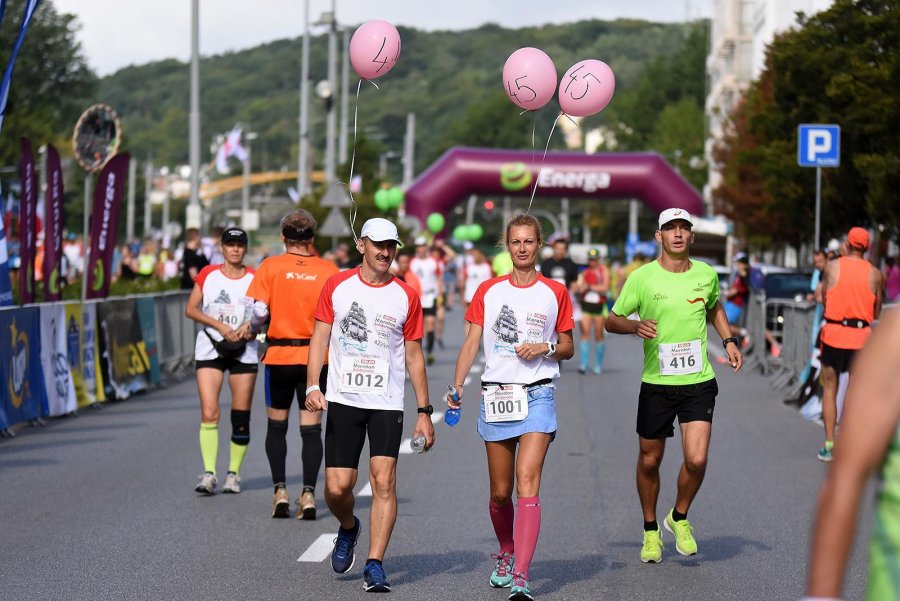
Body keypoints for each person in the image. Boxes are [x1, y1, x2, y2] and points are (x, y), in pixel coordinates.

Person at [447, 214, 575, 601]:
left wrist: (545, 347)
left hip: (538, 394)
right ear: (507, 245)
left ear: (540, 245)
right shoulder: (488, 290)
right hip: (497, 397)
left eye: (529, 242)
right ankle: (506, 551)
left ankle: (521, 575)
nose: (522, 248)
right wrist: (456, 386)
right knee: (501, 493)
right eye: (516, 242)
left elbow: (568, 346)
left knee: (526, 482)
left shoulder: (555, 292)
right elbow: (471, 343)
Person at [605, 208, 742, 564]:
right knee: (650, 460)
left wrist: (728, 340)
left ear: (691, 237)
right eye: (671, 228)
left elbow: (714, 308)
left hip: (698, 381)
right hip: (657, 383)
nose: (678, 234)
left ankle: (678, 517)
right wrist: (635, 327)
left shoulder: (707, 275)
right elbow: (612, 320)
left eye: (684, 228)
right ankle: (651, 529)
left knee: (696, 459)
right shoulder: (642, 278)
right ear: (659, 236)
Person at [304, 218, 433, 593]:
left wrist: (424, 412)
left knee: (383, 481)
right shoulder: (337, 286)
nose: (385, 251)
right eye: (378, 244)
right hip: (343, 398)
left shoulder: (406, 295)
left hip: (386, 402)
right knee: (337, 488)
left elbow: (414, 355)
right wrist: (313, 384)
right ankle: (349, 527)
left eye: (391, 245)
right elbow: (319, 339)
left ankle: (375, 563)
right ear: (361, 245)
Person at [245, 210, 338, 518]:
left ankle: (280, 490)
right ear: (311, 239)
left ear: (283, 237)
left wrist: (259, 328)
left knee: (277, 426)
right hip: (315, 358)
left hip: (280, 356)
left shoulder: (270, 266)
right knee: (311, 430)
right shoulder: (328, 269)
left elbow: (258, 311)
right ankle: (309, 495)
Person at [804, 307, 900, 600]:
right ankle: (831, 440)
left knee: (833, 389)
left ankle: (830, 440)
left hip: (844, 337)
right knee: (832, 389)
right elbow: (845, 478)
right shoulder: (895, 338)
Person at [184, 228, 257, 495]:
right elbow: (190, 309)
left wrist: (250, 325)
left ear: (245, 249)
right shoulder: (209, 275)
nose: (235, 249)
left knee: (240, 417)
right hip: (211, 347)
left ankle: (233, 474)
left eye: (240, 245)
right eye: (230, 245)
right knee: (209, 412)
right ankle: (209, 473)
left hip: (244, 348)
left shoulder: (255, 278)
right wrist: (219, 325)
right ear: (222, 248)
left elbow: (265, 311)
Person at [817, 227, 883, 462]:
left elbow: (825, 298)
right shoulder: (875, 273)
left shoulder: (833, 267)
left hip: (834, 333)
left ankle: (829, 444)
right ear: (866, 246)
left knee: (830, 389)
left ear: (848, 243)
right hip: (860, 338)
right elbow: (877, 310)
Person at [575, 248, 610, 374]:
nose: (592, 262)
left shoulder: (604, 271)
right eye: (590, 259)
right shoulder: (585, 272)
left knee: (598, 335)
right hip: (586, 306)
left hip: (599, 307)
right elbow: (578, 288)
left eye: (594, 260)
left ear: (598, 260)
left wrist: (590, 287)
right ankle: (583, 365)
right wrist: (580, 289)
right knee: (585, 333)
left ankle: (598, 365)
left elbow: (605, 287)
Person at [410, 236, 442, 365]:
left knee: (430, 322)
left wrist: (440, 295)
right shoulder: (412, 262)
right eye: (418, 247)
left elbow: (439, 278)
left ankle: (429, 351)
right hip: (416, 297)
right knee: (416, 326)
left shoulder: (433, 261)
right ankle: (416, 352)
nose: (421, 249)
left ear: (426, 247)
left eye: (423, 246)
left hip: (430, 296)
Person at [724, 255, 750, 336]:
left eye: (739, 264)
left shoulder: (744, 276)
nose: (738, 266)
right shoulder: (739, 275)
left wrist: (728, 294)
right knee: (729, 328)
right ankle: (735, 343)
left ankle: (745, 333)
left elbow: (736, 290)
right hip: (733, 304)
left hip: (736, 304)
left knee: (725, 326)